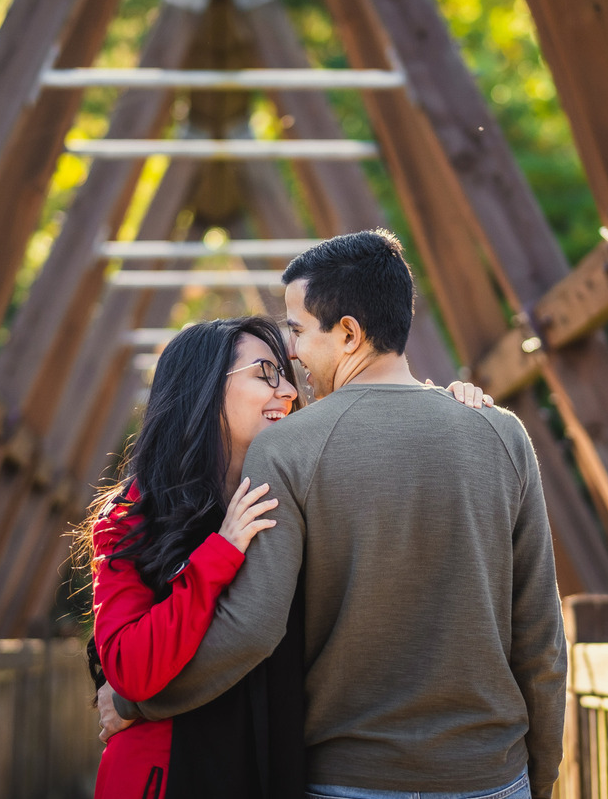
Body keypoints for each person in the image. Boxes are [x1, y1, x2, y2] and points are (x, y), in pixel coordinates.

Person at [109, 230, 567, 799]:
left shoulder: (288, 448)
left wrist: (135, 700)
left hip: (351, 780)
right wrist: (540, 777)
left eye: (298, 330)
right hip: (492, 777)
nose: (292, 353)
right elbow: (541, 638)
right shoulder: (503, 434)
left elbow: (252, 629)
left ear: (348, 332)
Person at [81, 313, 491, 798]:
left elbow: (388, 452)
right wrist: (221, 551)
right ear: (206, 388)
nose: (289, 392)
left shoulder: (299, 490)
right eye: (264, 374)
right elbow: (129, 667)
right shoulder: (134, 514)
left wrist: (453, 407)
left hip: (273, 768)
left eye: (287, 375)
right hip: (168, 774)